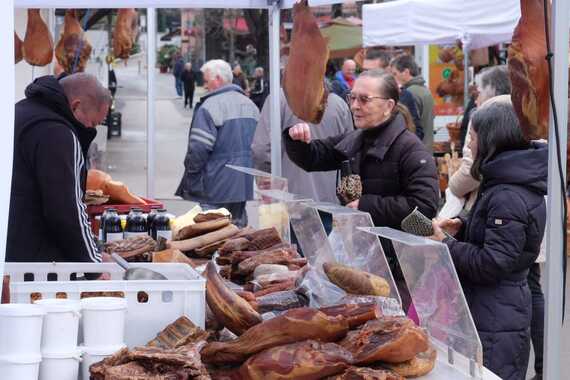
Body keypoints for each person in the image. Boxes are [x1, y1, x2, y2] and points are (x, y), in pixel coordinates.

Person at [431, 101, 547, 380]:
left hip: (496, 313)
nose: (468, 146)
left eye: (472, 137)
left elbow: (493, 262)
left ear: (492, 139)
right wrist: (464, 225)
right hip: (494, 308)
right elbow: (505, 234)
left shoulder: (507, 192)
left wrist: (447, 245)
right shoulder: (505, 181)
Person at [284, 69, 439, 229]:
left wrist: (365, 206)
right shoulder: (355, 139)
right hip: (362, 245)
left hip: (397, 250)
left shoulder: (411, 149)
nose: (354, 106)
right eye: (352, 98)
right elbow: (312, 158)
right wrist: (296, 139)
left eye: (364, 99)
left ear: (388, 105)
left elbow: (425, 206)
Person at [8, 73, 111, 263]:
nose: (92, 129)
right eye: (93, 122)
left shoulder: (18, 111)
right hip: (34, 261)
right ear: (75, 106)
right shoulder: (58, 134)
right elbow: (66, 210)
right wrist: (93, 264)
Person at [176, 60, 260, 227]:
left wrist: (192, 177)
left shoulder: (210, 107)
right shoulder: (251, 106)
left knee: (212, 234)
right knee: (236, 232)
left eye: (206, 81)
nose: (205, 86)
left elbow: (198, 149)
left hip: (214, 185)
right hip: (242, 185)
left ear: (218, 79)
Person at [252, 88, 354, 203]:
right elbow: (351, 156)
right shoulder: (339, 104)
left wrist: (267, 184)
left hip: (288, 199)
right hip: (330, 200)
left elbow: (261, 150)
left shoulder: (277, 100)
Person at [362, 48, 424, 140]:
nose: (365, 75)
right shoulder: (354, 96)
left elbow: (417, 131)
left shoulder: (403, 96)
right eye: (364, 71)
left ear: (387, 70)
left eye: (372, 71)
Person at [390, 54, 435, 152]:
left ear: (406, 72)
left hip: (416, 150)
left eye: (395, 74)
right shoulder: (425, 89)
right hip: (426, 148)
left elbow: (413, 126)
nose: (393, 78)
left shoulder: (410, 93)